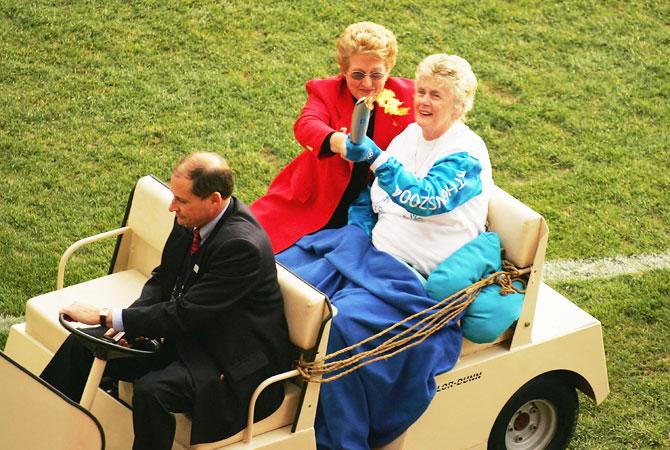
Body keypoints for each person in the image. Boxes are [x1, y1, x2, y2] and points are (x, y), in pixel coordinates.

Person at [277, 53, 492, 450]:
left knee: (339, 327)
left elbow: (423, 199)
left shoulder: (467, 156)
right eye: (422, 91)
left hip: (409, 278)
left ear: (460, 107)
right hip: (368, 254)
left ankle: (341, 439)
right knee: (282, 275)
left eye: (437, 96)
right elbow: (369, 197)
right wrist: (356, 232)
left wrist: (377, 158)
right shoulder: (410, 134)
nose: (423, 101)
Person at [41, 152, 291, 450]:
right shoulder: (190, 219)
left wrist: (108, 316)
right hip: (188, 334)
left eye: (182, 201)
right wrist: (127, 325)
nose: (173, 207)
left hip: (226, 357)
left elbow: (186, 314)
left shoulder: (241, 247)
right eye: (174, 197)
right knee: (83, 346)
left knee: (152, 391)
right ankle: (39, 428)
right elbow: (164, 279)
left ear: (214, 199)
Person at [251, 21, 415, 253]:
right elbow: (306, 125)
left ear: (388, 70)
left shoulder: (410, 96)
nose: (367, 83)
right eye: (358, 74)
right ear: (344, 71)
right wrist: (340, 143)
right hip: (310, 201)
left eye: (376, 74)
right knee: (247, 244)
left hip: (371, 213)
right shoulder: (326, 91)